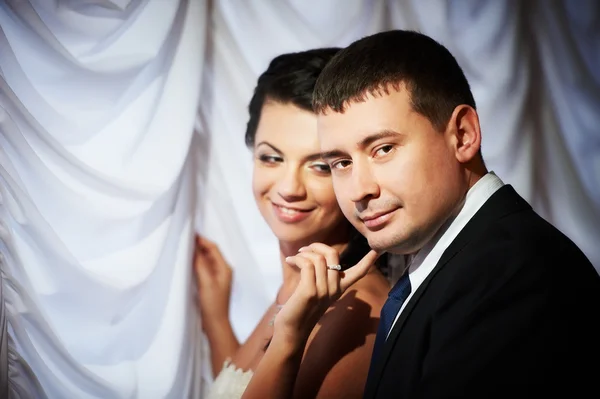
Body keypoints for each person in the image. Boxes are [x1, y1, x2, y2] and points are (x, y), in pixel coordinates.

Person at [305, 30, 600, 398]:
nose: (359, 189)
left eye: (383, 149)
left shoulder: (512, 272)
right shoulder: (469, 260)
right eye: (341, 162)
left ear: (463, 135)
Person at [194, 48, 391, 399]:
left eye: (319, 166)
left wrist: (287, 338)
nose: (288, 188)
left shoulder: (353, 312)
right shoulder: (300, 288)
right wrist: (216, 319)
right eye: (271, 158)